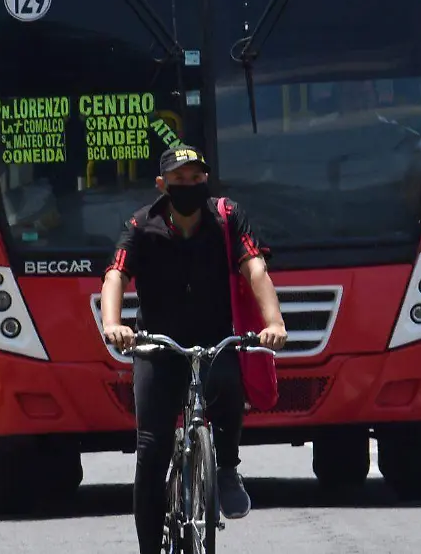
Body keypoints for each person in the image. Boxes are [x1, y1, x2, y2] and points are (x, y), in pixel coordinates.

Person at [99, 144, 288, 554]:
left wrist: (274, 322)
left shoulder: (227, 217)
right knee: (151, 451)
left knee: (229, 386)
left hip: (212, 341)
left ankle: (227, 469)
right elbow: (115, 275)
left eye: (196, 178)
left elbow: (255, 267)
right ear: (162, 184)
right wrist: (113, 324)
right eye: (179, 180)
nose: (189, 186)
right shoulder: (142, 224)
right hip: (157, 346)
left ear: (206, 179)